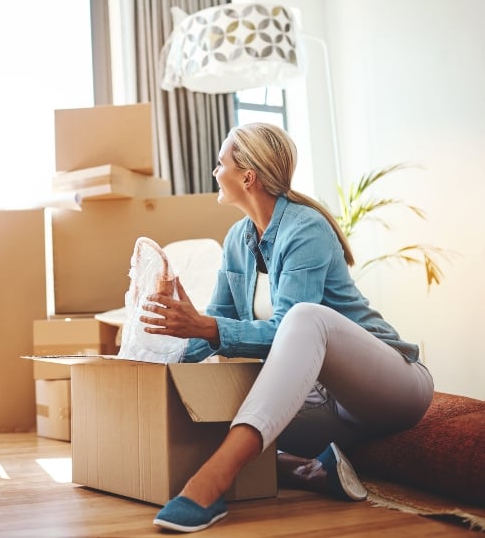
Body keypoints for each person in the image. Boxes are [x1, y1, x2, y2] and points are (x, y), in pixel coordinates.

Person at [142, 123, 434, 532]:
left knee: (302, 318)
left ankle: (211, 482)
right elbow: (213, 328)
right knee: (208, 410)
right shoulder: (236, 241)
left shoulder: (305, 228)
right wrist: (161, 349)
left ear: (248, 176)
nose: (214, 171)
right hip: (323, 406)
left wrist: (208, 328)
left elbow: (280, 329)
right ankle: (307, 471)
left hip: (392, 388)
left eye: (220, 162)